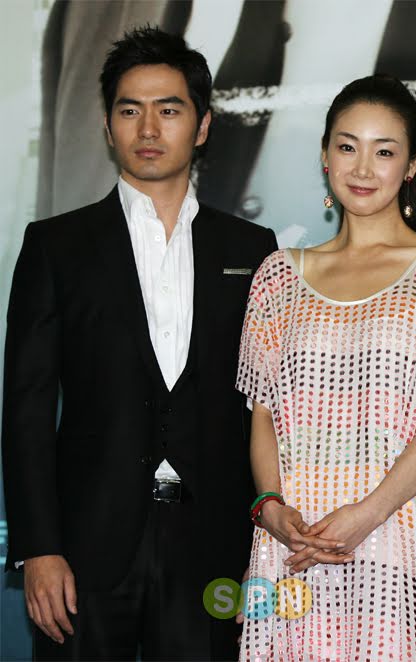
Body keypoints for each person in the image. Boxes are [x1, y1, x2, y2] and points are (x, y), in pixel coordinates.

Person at [2, 26, 277, 661]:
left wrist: (262, 544)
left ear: (202, 127)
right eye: (130, 111)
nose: (148, 129)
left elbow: (265, 407)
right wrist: (39, 548)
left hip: (214, 548)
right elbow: (27, 408)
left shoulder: (252, 249)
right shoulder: (56, 247)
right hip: (86, 547)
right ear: (108, 126)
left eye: (169, 110)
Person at [236, 75, 416, 661]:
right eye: (347, 146)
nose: (363, 167)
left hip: (395, 538)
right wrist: (271, 509)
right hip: (291, 546)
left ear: (412, 164)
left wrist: (365, 516)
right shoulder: (276, 275)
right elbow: (262, 414)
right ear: (325, 156)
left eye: (384, 151)